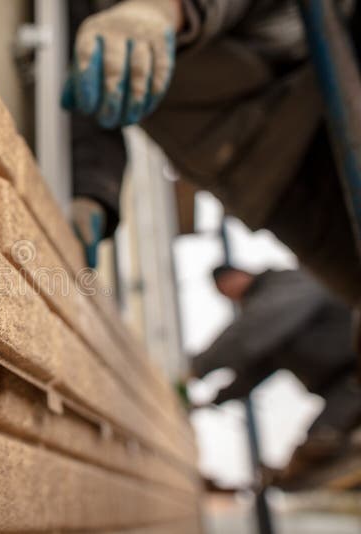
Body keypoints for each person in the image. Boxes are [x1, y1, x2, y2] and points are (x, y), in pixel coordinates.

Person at [64, 0, 361, 304]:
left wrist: (163, 8)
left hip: (314, 86)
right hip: (264, 178)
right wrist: (92, 190)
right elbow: (88, 92)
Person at [191, 266, 361, 483]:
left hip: (353, 369)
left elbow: (250, 332)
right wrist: (216, 399)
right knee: (319, 445)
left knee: (323, 440)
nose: (229, 297)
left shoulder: (285, 285)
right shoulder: (268, 312)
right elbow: (257, 368)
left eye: (224, 290)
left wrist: (198, 366)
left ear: (236, 276)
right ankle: (286, 478)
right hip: (342, 385)